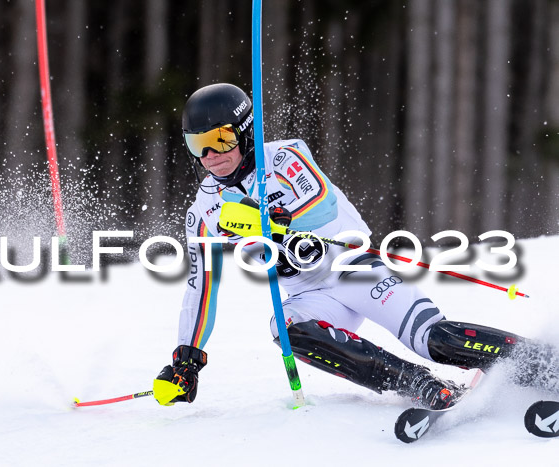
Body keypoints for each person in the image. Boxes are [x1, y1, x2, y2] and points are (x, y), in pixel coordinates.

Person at [152, 83, 557, 407]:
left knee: (434, 339)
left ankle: (544, 364)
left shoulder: (285, 158)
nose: (209, 156)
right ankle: (415, 383)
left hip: (353, 270)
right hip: (309, 295)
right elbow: (200, 286)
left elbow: (319, 201)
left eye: (220, 140)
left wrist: (272, 222)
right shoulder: (204, 211)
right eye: (197, 144)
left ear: (244, 132)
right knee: (286, 329)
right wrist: (188, 357)